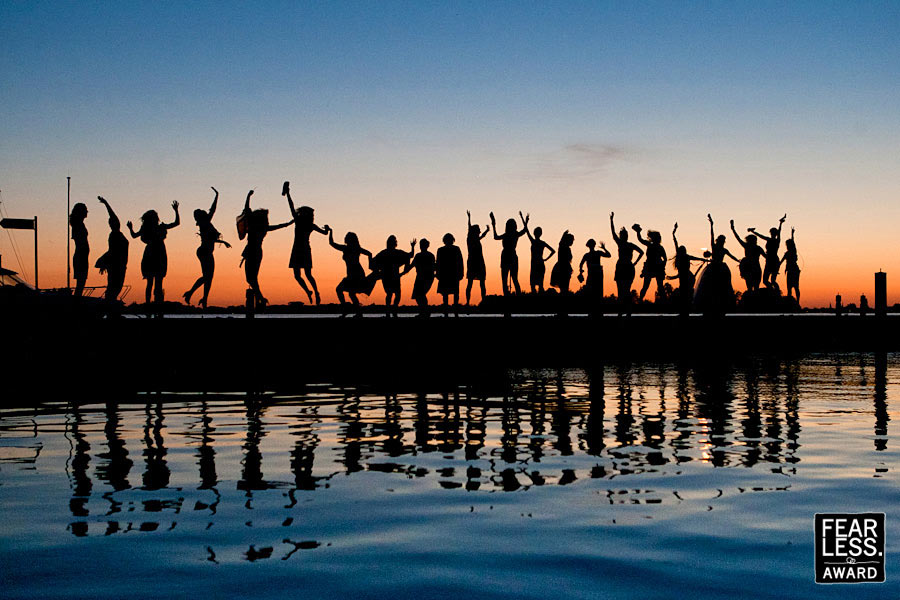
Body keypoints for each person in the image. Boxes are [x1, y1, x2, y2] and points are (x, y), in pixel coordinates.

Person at [237, 190, 292, 308]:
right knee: (252, 278)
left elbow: (246, 209)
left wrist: (248, 196)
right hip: (256, 252)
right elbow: (276, 227)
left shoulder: (254, 227)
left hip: (252, 252)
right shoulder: (263, 228)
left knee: (250, 279)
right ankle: (260, 299)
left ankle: (261, 298)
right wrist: (287, 224)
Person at [183, 187, 231, 308]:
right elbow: (210, 239)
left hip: (206, 252)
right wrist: (223, 241)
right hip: (204, 251)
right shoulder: (204, 224)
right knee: (207, 277)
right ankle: (191, 293)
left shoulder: (206, 223)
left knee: (209, 277)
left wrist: (217, 195)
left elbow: (213, 209)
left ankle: (204, 299)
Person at [283, 181, 328, 305]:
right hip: (301, 249)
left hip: (300, 249)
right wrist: (327, 229)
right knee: (301, 275)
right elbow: (325, 233)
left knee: (305, 275)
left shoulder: (302, 222)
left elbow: (291, 206)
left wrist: (288, 194)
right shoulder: (308, 223)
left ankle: (315, 292)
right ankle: (310, 292)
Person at [128, 201, 180, 304]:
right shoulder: (160, 227)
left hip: (151, 254)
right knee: (158, 283)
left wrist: (130, 229)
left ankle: (149, 304)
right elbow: (176, 223)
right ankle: (157, 305)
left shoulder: (147, 229)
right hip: (158, 254)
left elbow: (134, 236)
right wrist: (176, 211)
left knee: (150, 282)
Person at [694, 214, 740, 316]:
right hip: (713, 268)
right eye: (721, 240)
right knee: (710, 287)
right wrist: (711, 224)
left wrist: (738, 260)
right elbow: (712, 235)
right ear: (719, 241)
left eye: (723, 240)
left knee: (723, 287)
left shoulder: (724, 250)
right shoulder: (714, 247)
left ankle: (721, 305)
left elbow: (732, 256)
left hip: (720, 268)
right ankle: (710, 306)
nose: (722, 242)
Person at [329, 229, 374, 313]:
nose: (345, 238)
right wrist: (330, 231)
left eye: (347, 237)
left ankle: (348, 310)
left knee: (343, 291)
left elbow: (369, 253)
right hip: (351, 274)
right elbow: (332, 243)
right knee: (349, 293)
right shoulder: (347, 248)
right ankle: (354, 311)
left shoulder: (354, 249)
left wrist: (370, 265)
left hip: (357, 274)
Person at [609, 212, 644, 315]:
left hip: (624, 267)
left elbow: (613, 233)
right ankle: (626, 311)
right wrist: (635, 263)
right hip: (627, 267)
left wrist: (611, 220)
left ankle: (624, 311)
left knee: (622, 291)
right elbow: (642, 252)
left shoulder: (622, 243)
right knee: (625, 290)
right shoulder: (628, 244)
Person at [95, 196, 128, 303]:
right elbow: (112, 251)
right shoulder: (114, 235)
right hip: (117, 267)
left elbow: (113, 216)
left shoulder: (117, 234)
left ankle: (111, 308)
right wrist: (104, 262)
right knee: (114, 287)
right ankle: (110, 310)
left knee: (114, 288)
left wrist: (106, 203)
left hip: (120, 266)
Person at [669, 222, 706, 316]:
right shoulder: (685, 256)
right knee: (686, 295)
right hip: (688, 277)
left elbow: (695, 258)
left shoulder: (683, 257)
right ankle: (685, 312)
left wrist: (674, 233)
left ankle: (684, 312)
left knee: (685, 295)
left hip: (687, 278)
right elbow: (696, 258)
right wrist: (673, 233)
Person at [372, 235, 415, 316]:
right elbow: (410, 255)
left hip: (387, 276)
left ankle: (389, 312)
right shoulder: (396, 253)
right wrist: (412, 247)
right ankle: (393, 311)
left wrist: (377, 271)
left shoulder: (383, 253)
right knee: (397, 294)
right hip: (394, 276)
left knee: (390, 294)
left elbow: (373, 262)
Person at [490, 211, 529, 295]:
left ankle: (506, 296)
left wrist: (493, 224)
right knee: (515, 279)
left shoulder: (507, 234)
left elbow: (495, 237)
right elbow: (525, 230)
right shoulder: (515, 234)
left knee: (504, 280)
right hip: (512, 256)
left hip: (505, 256)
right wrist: (524, 219)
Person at [749, 214, 787, 290]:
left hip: (772, 261)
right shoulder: (773, 240)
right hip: (771, 260)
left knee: (769, 280)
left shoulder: (774, 240)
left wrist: (780, 224)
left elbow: (779, 232)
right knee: (769, 280)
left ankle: (776, 293)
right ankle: (774, 292)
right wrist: (753, 232)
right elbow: (761, 236)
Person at [633, 224, 667, 301]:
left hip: (656, 267)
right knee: (647, 286)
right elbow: (640, 239)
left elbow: (665, 258)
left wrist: (662, 266)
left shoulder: (658, 247)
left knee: (658, 286)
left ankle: (664, 303)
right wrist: (638, 232)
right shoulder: (652, 245)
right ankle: (640, 300)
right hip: (651, 267)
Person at [729, 219, 764, 292]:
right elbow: (767, 257)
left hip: (750, 268)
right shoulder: (757, 248)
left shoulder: (748, 246)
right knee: (755, 288)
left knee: (750, 288)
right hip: (753, 268)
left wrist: (733, 229)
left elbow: (738, 238)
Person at [402, 238, 436, 315]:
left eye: (423, 245)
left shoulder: (429, 256)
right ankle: (424, 312)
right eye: (421, 245)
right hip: (421, 278)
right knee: (419, 296)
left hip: (426, 277)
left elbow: (434, 267)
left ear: (426, 246)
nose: (421, 246)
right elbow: (410, 267)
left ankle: (425, 312)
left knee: (420, 295)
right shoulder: (420, 256)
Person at [578, 239, 611, 313]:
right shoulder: (597, 253)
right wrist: (604, 248)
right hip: (596, 274)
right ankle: (596, 310)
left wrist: (581, 272)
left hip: (594, 274)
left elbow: (581, 264)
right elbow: (608, 255)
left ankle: (593, 310)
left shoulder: (587, 255)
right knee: (597, 291)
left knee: (592, 292)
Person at [435, 233, 464, 316]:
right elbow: (438, 263)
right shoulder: (454, 249)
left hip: (449, 274)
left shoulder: (441, 250)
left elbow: (438, 263)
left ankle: (449, 312)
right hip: (450, 274)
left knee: (447, 294)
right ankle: (452, 312)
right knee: (451, 294)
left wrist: (437, 273)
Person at [465, 210, 490, 305]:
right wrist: (469, 218)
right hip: (474, 262)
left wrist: (487, 231)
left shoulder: (474, 239)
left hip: (477, 262)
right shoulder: (470, 239)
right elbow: (469, 227)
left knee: (479, 283)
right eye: (478, 229)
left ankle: (481, 301)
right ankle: (468, 302)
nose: (480, 231)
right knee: (474, 283)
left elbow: (482, 235)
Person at [524, 221, 555, 293]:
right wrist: (546, 259)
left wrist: (525, 221)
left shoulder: (533, 241)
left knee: (533, 285)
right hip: (540, 264)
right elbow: (553, 251)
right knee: (540, 284)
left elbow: (527, 231)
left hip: (535, 265)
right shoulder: (542, 243)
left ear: (534, 233)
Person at [70, 202, 89, 297]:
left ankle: (78, 299)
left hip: (82, 256)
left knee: (81, 282)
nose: (87, 212)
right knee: (80, 283)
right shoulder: (78, 225)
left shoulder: (79, 224)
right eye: (85, 210)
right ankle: (77, 302)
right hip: (81, 256)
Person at [782, 227, 800, 303]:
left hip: (794, 270)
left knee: (795, 287)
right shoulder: (787, 253)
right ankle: (791, 301)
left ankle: (797, 301)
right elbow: (781, 261)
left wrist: (792, 234)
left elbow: (793, 241)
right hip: (791, 270)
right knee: (790, 287)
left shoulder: (792, 251)